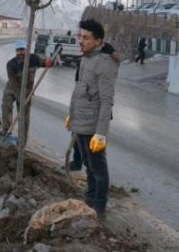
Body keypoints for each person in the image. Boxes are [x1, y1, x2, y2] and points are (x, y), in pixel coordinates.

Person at [68, 19, 121, 218]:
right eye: (80, 36)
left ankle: (99, 206)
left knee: (98, 169)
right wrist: (72, 116)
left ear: (99, 41)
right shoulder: (86, 58)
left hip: (93, 125)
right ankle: (89, 199)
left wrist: (101, 133)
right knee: (88, 167)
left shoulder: (105, 63)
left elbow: (107, 101)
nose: (81, 40)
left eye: (86, 38)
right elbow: (81, 91)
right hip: (81, 121)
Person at [1, 40, 52, 144]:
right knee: (6, 106)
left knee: (24, 117)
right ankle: (6, 129)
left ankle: (22, 141)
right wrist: (20, 97)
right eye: (18, 50)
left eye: (22, 50)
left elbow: (44, 62)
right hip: (11, 88)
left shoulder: (33, 58)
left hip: (27, 91)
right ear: (16, 51)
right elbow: (14, 84)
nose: (20, 52)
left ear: (26, 50)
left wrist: (49, 62)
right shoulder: (11, 64)